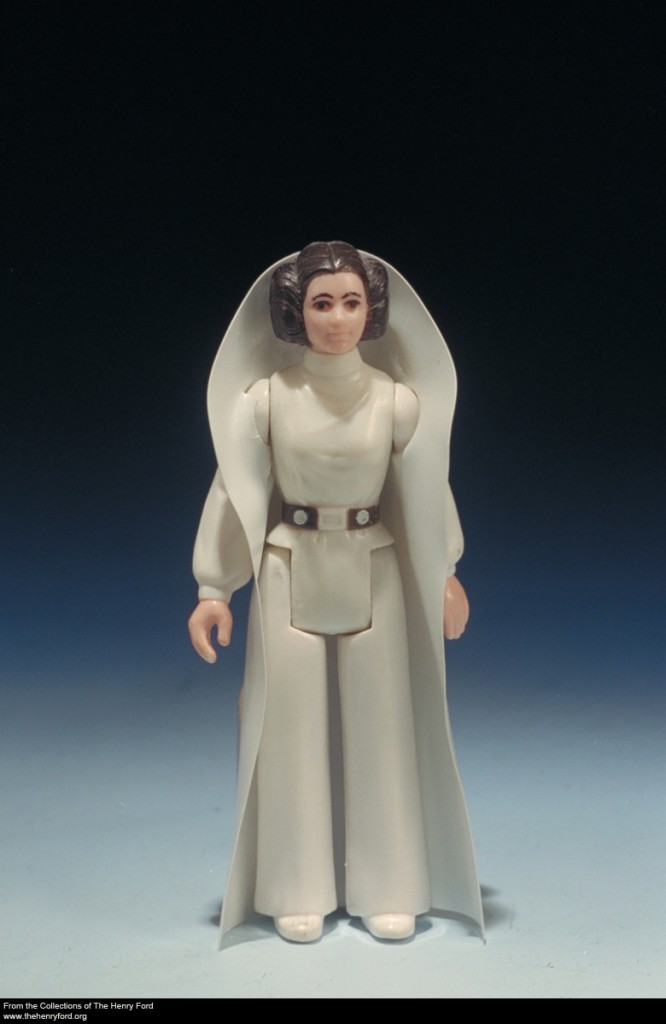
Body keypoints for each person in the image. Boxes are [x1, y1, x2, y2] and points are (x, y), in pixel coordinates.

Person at [189, 242, 483, 944]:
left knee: (383, 728)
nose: (338, 318)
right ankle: (297, 887)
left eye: (352, 302)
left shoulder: (395, 403)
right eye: (322, 303)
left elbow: (427, 489)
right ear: (296, 312)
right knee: (289, 731)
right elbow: (233, 490)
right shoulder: (267, 401)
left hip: (372, 566)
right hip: (288, 566)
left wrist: (445, 571)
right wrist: (213, 587)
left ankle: (390, 885)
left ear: (372, 310)